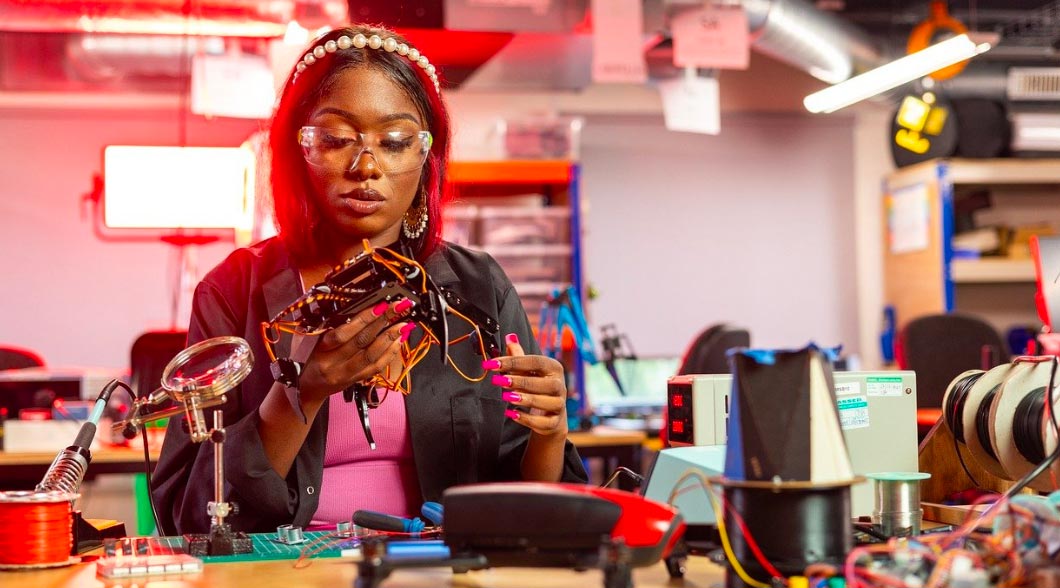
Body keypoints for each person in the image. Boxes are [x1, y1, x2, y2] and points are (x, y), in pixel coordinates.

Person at [151, 23, 588, 535]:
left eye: (396, 141)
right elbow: (188, 512)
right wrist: (304, 391)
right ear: (300, 150)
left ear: (426, 158)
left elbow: (523, 502)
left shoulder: (477, 287)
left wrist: (550, 433)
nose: (367, 166)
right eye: (336, 139)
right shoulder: (233, 291)